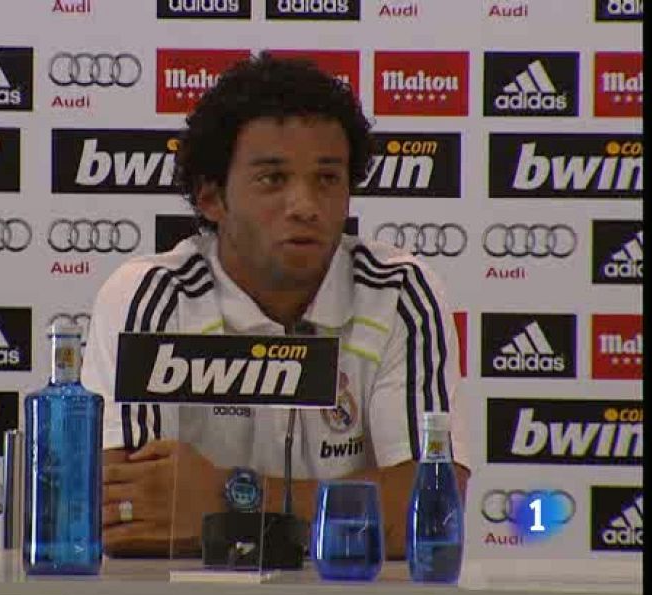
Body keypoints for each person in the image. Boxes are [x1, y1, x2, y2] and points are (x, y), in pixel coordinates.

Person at [81, 53, 470, 559]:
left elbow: (431, 515)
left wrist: (234, 496)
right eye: (273, 179)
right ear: (211, 197)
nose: (305, 206)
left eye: (327, 179)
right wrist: (333, 516)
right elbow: (131, 516)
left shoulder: (398, 292)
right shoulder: (149, 295)